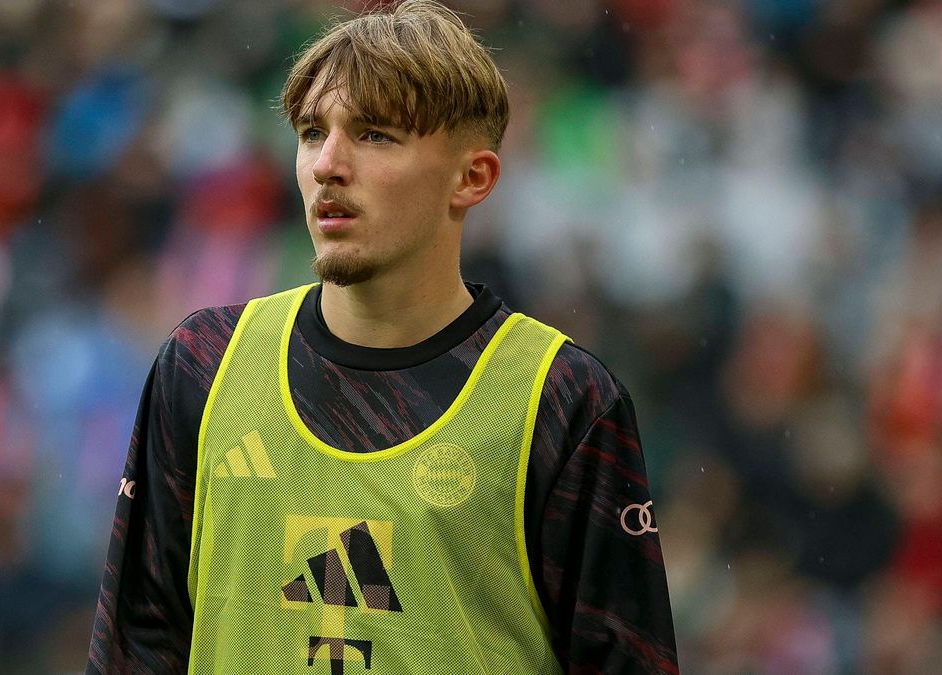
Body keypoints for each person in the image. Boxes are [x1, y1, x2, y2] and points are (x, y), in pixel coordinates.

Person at [87, 1, 677, 672]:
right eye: (312, 132)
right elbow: (133, 651)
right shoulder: (202, 366)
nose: (328, 164)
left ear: (472, 177)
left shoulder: (564, 402)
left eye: (374, 135)